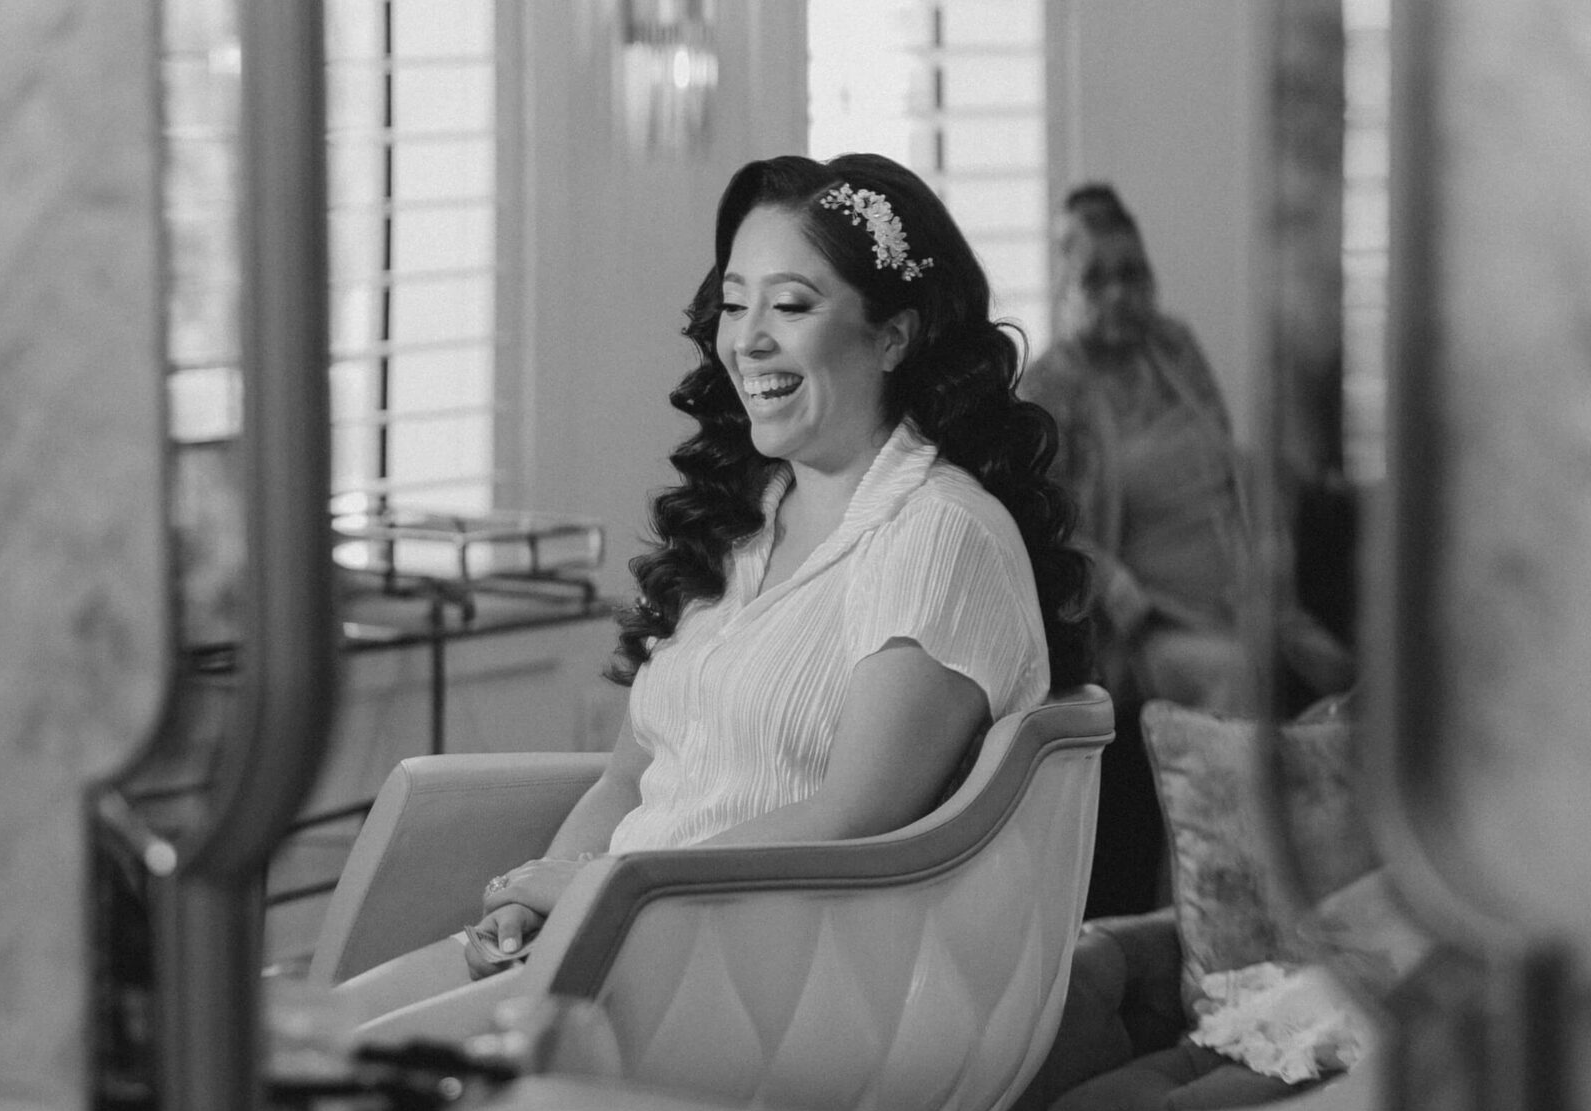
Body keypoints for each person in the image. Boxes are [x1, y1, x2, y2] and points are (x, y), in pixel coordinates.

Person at [342, 152, 1091, 1018]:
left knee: (332, 1083)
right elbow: (628, 784)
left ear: (894, 335)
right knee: (290, 1048)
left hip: (754, 983)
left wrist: (596, 889)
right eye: (735, 303)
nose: (747, 338)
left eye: (792, 304)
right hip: (610, 940)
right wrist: (525, 904)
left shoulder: (938, 536)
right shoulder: (741, 518)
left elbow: (854, 818)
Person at [1022, 183, 1347, 915]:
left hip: (1241, 594)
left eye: (1131, 273)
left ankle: (1321, 897)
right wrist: (1108, 581)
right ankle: (1211, 917)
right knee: (1235, 679)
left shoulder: (1173, 345)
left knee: (1344, 675)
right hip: (1144, 623)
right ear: (1064, 287)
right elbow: (1039, 516)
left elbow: (1220, 455)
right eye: (1095, 278)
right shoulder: (1052, 384)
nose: (1118, 294)